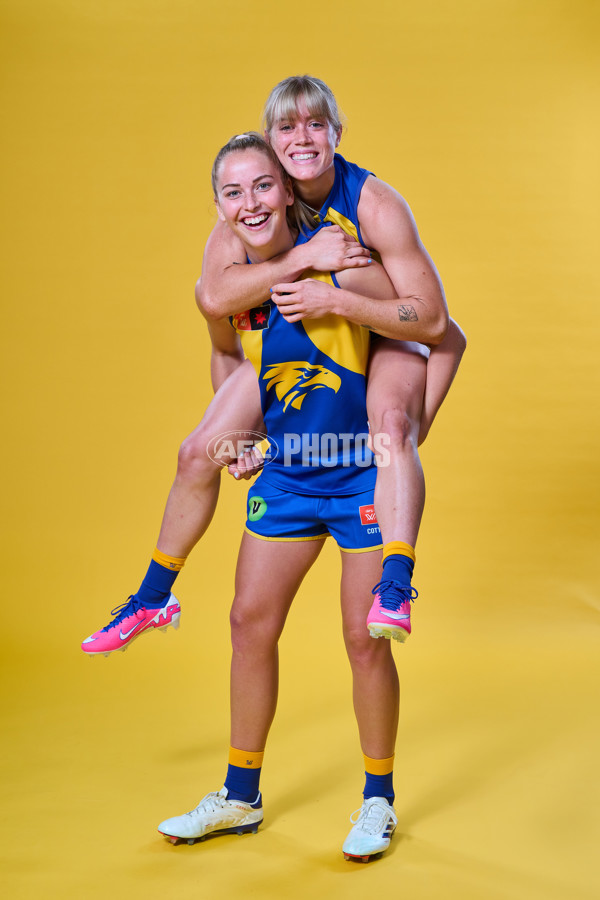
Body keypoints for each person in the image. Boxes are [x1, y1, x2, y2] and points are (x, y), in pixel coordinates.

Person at [81, 75, 465, 658]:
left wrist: (339, 304)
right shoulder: (249, 203)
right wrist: (243, 440)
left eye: (317, 124)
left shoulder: (374, 206)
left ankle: (395, 582)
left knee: (391, 431)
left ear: (337, 132)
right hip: (303, 352)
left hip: (378, 330)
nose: (303, 138)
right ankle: (154, 596)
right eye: (287, 126)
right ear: (270, 140)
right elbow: (215, 305)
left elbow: (439, 327)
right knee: (196, 452)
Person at [158, 132, 412, 860]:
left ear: (288, 188)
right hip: (290, 474)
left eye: (262, 188)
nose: (251, 203)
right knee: (248, 624)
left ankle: (378, 801)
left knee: (365, 640)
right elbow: (225, 344)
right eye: (233, 195)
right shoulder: (235, 263)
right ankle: (240, 797)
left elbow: (431, 326)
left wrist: (405, 434)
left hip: (360, 470)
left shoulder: (345, 246)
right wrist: (238, 436)